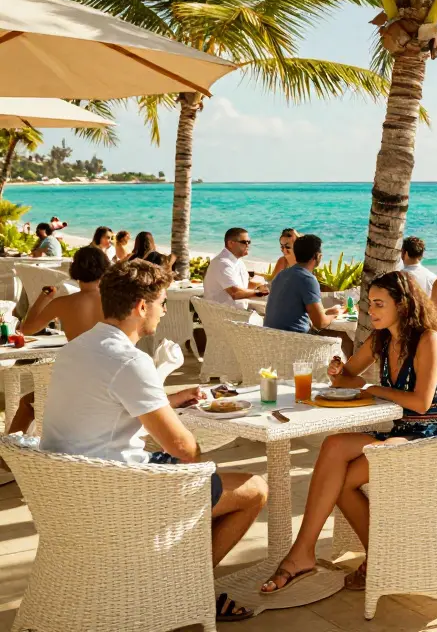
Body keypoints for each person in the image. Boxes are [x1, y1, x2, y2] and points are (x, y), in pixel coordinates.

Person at [39, 260, 267, 622]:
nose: (163, 310)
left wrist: (168, 401)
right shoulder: (130, 360)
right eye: (161, 302)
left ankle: (175, 577)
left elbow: (104, 404)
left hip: (71, 493)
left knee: (190, 471)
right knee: (253, 487)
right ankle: (185, 587)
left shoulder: (75, 349)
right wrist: (201, 464)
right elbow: (182, 448)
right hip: (122, 497)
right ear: (141, 306)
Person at [259, 271, 437, 594]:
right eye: (369, 305)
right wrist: (338, 371)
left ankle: (315, 555)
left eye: (379, 304)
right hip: (402, 430)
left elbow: (420, 403)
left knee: (340, 481)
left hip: (431, 435)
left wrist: (371, 386)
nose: (371, 312)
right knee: (334, 446)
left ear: (403, 305)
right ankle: (308, 553)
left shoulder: (428, 340)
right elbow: (347, 377)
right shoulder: (381, 339)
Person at [7, 246, 110, 435]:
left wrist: (42, 298)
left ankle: (7, 458)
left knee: (28, 403)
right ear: (105, 269)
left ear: (75, 270)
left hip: (76, 381)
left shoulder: (63, 303)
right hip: (108, 377)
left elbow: (26, 329)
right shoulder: (114, 302)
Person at [263, 234, 340, 334]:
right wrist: (335, 315)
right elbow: (320, 323)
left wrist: (325, 312)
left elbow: (292, 311)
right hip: (297, 341)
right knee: (341, 336)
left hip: (270, 337)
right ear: (317, 256)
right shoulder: (307, 279)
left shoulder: (281, 275)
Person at [203, 228, 267, 309]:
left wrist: (260, 285)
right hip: (223, 315)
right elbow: (235, 293)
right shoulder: (222, 263)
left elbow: (244, 287)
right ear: (230, 243)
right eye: (244, 242)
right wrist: (260, 293)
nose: (248, 245)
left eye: (249, 242)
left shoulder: (238, 261)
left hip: (236, 312)